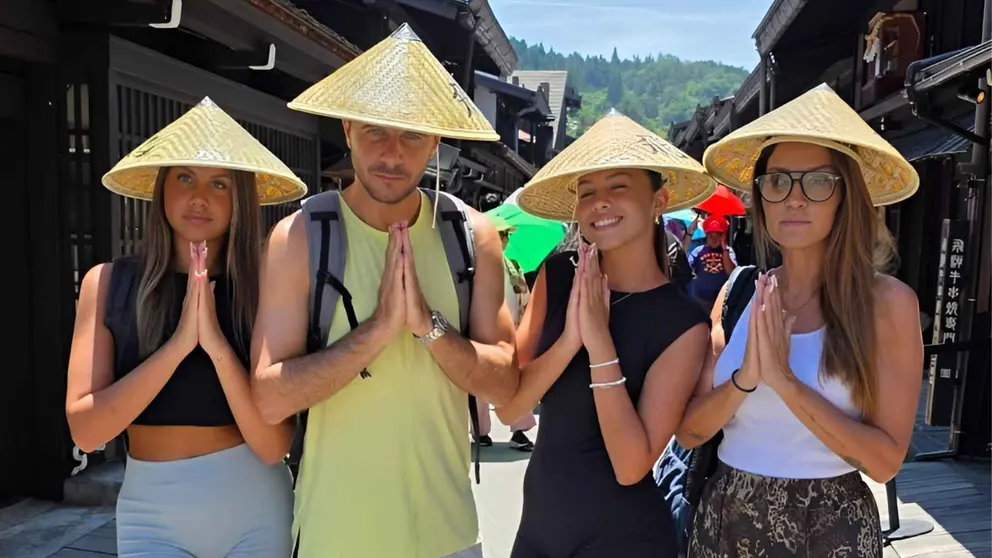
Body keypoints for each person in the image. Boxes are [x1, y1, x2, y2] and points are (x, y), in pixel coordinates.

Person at [250, 24, 518, 558]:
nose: (392, 153)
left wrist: (428, 328)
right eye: (375, 131)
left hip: (449, 534)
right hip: (335, 535)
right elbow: (269, 397)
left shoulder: (471, 236)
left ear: (436, 142)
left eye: (412, 136)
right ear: (347, 129)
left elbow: (509, 388)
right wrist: (376, 332)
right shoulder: (301, 237)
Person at [677, 83, 924, 557]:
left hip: (832, 527)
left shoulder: (887, 303)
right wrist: (747, 378)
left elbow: (884, 462)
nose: (794, 198)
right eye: (778, 181)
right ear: (761, 195)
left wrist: (786, 382)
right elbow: (689, 431)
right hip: (727, 517)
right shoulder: (740, 292)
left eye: (817, 182)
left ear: (844, 195)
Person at [65, 97, 307, 557]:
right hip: (150, 515)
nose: (200, 197)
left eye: (219, 183)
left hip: (256, 508)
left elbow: (274, 444)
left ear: (241, 199)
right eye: (184, 178)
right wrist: (178, 346)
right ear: (161, 190)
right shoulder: (108, 283)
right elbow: (86, 431)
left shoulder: (266, 289)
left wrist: (214, 344)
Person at [498, 110, 715, 557]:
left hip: (624, 539)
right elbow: (510, 406)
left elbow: (632, 465)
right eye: (587, 191)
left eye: (618, 187)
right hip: (539, 531)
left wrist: (599, 345)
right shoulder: (559, 276)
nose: (599, 202)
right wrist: (570, 340)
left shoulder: (683, 322)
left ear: (658, 201)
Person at [475, 217, 537, 451]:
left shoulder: (513, 264)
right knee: (480, 382)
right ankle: (479, 430)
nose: (505, 240)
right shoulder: (476, 263)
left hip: (512, 328)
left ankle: (520, 430)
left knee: (515, 380)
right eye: (502, 235)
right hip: (482, 328)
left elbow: (523, 295)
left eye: (506, 236)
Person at [686, 215, 737, 309]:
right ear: (706, 235)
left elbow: (731, 273)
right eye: (711, 236)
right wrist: (689, 234)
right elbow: (684, 261)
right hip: (700, 299)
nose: (714, 239)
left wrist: (724, 249)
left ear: (722, 236)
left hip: (721, 300)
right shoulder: (698, 251)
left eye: (717, 235)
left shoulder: (728, 251)